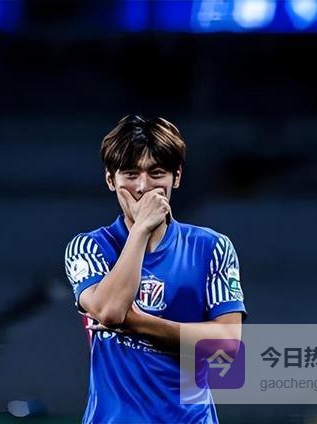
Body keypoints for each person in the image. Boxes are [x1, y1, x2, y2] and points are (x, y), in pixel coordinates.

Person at [64, 115, 247, 424]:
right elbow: (110, 312)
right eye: (130, 173)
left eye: (156, 173)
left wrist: (137, 322)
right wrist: (140, 230)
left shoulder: (211, 247)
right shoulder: (88, 247)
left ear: (177, 177)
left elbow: (228, 346)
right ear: (110, 180)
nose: (143, 187)